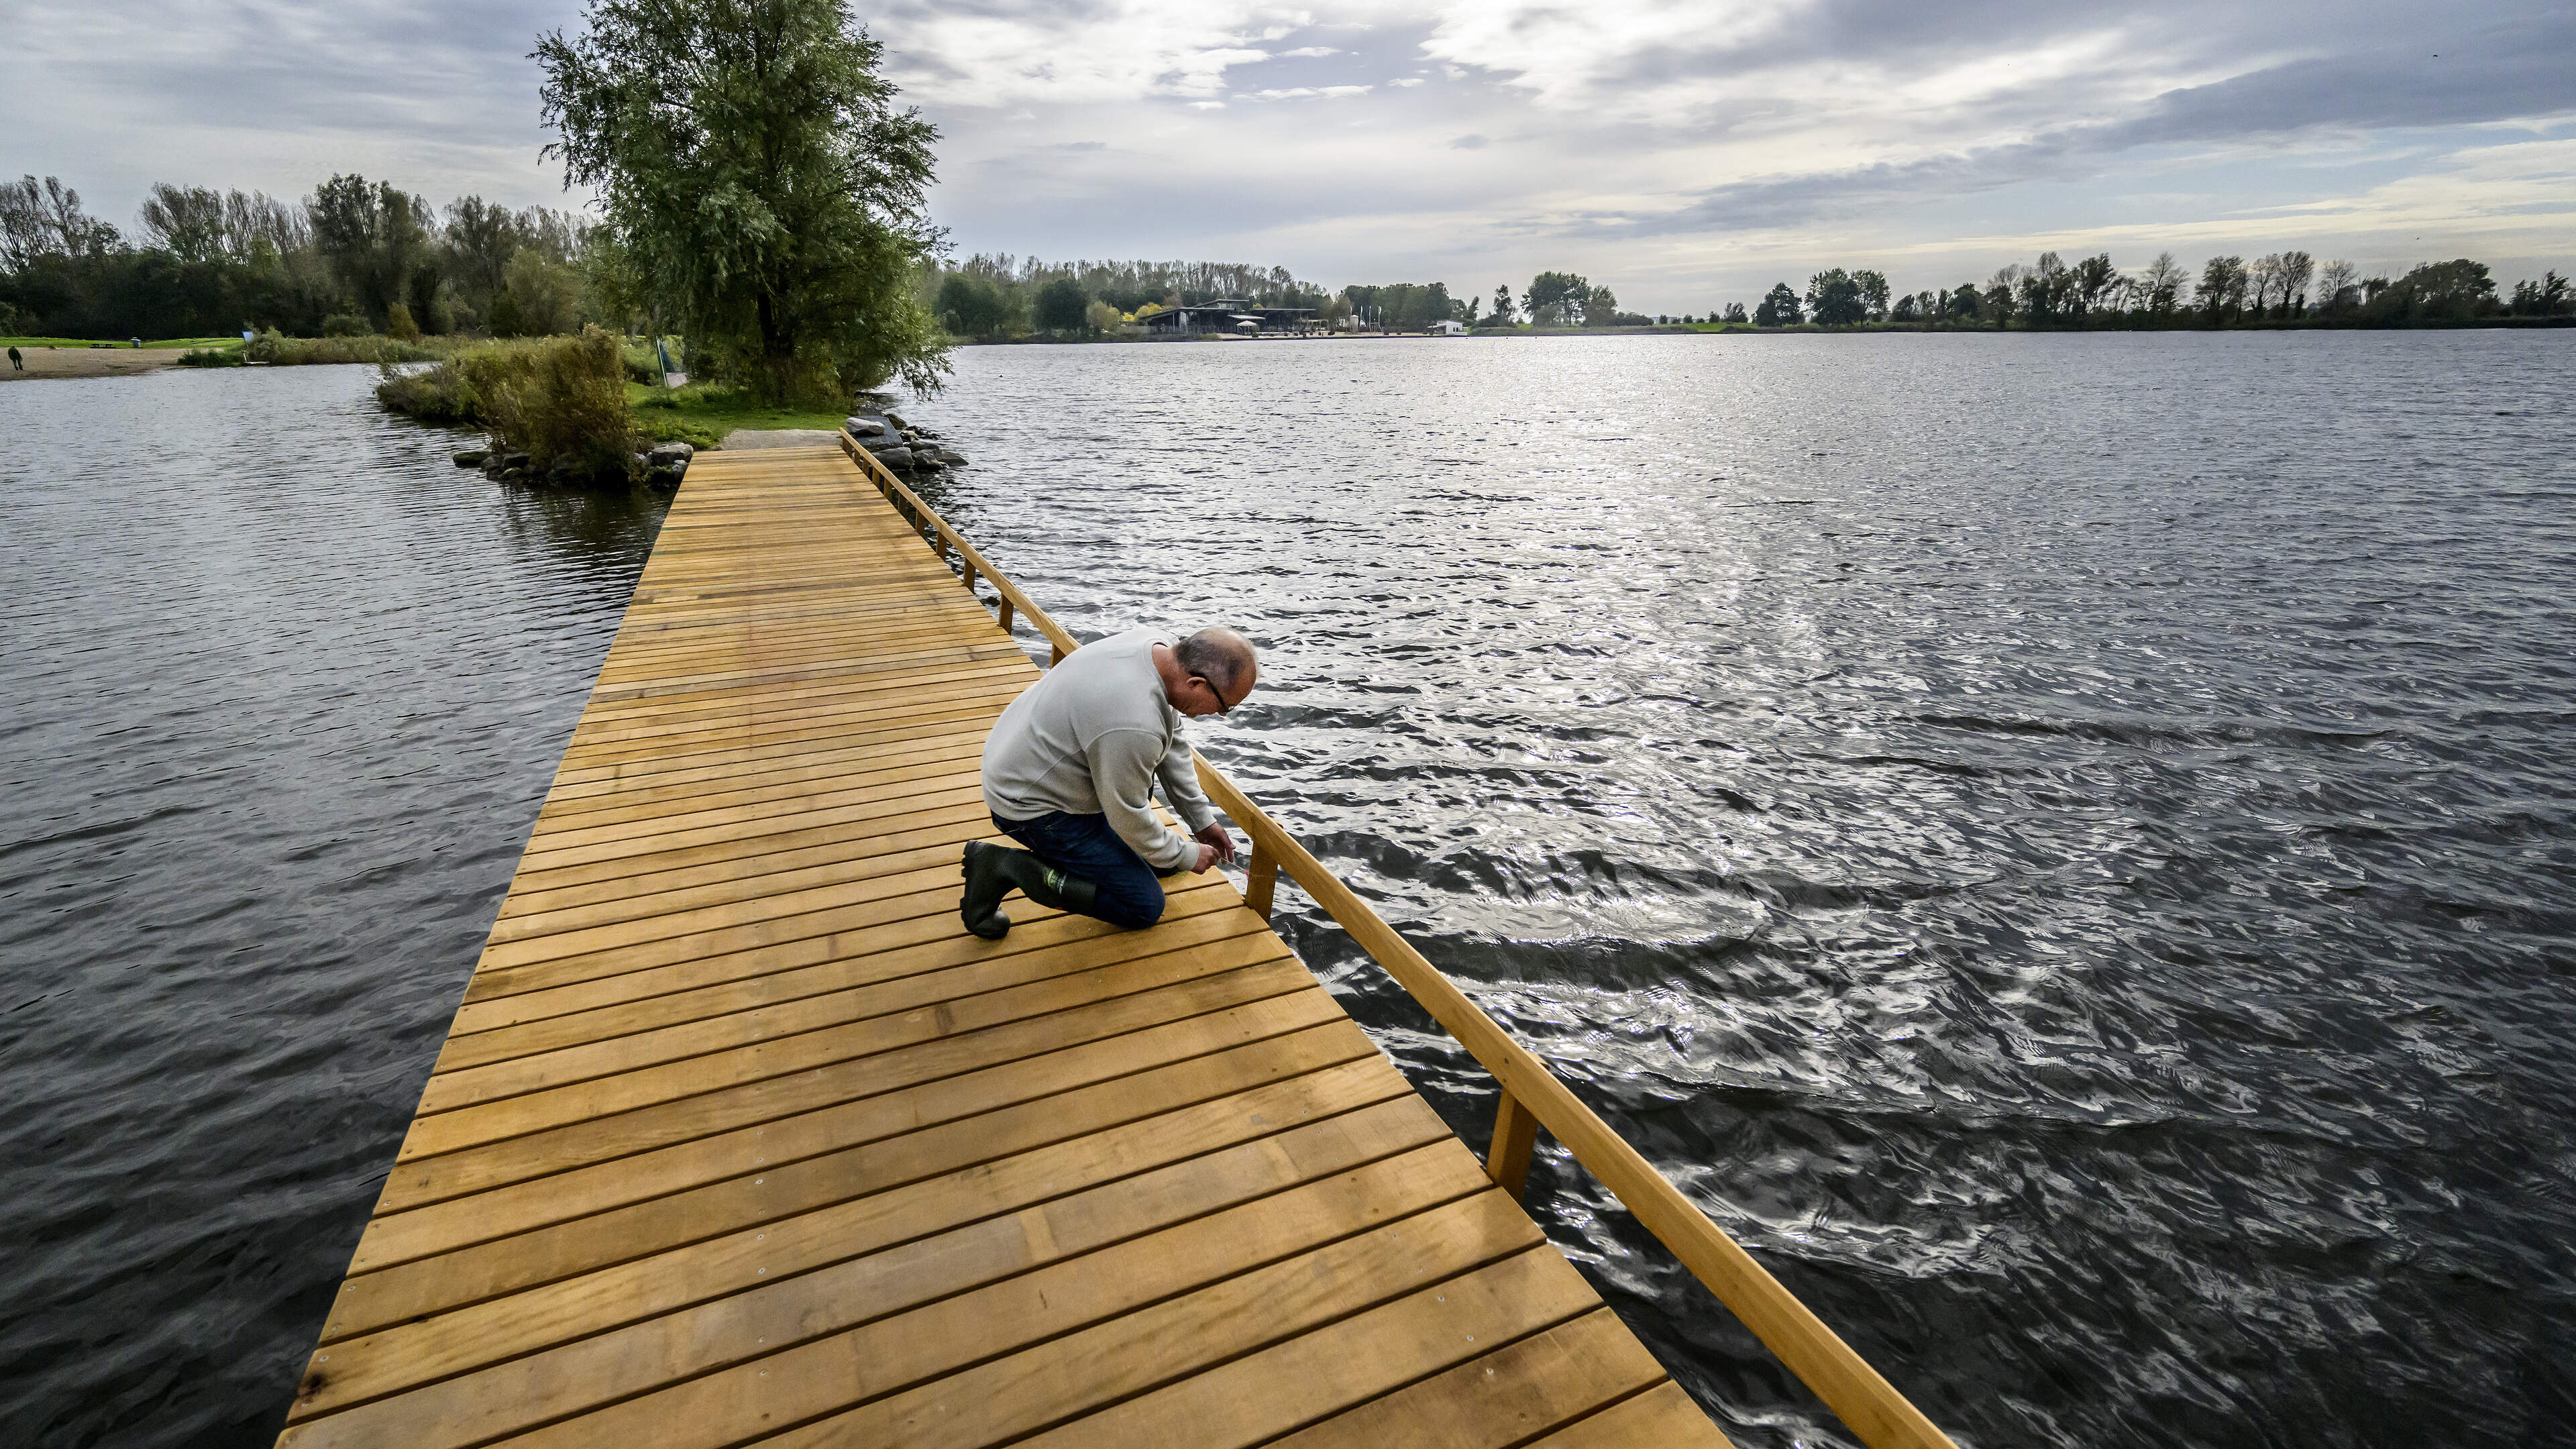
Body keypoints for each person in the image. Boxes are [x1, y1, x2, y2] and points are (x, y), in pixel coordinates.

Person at [961, 627, 1258, 938]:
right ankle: (1004, 866)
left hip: (1022, 758)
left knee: (1165, 860)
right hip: (1029, 805)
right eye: (1226, 707)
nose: (1222, 715)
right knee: (1143, 905)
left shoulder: (1161, 648)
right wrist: (1188, 854)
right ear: (1197, 683)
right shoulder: (1134, 723)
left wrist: (1202, 821)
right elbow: (1127, 815)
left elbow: (1172, 741)